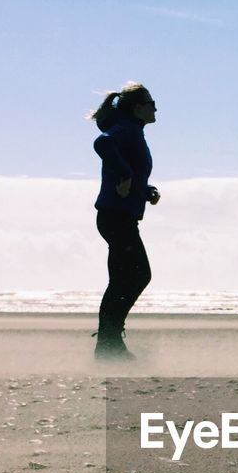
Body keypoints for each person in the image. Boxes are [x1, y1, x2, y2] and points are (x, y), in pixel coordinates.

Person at [90, 82, 160, 359]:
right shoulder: (127, 129)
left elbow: (131, 170)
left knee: (122, 279)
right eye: (152, 103)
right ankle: (109, 341)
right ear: (138, 107)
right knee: (138, 275)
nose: (156, 108)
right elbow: (102, 143)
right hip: (115, 217)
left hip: (120, 216)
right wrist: (125, 175)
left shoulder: (134, 131)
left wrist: (145, 190)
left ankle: (108, 345)